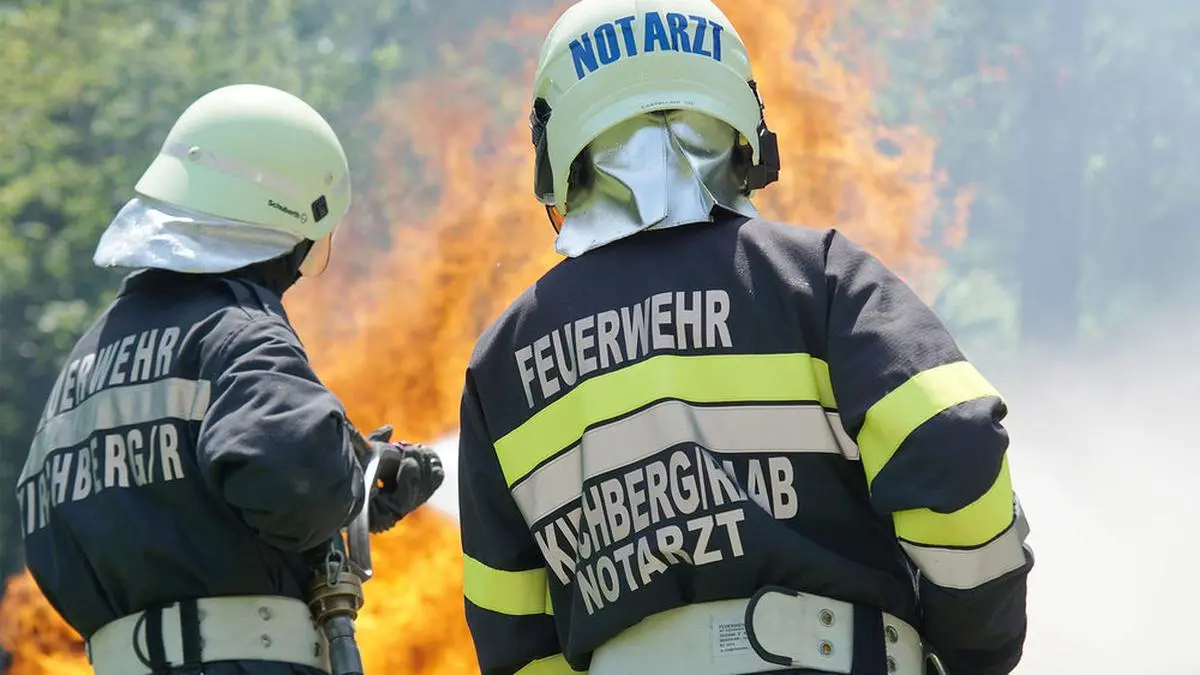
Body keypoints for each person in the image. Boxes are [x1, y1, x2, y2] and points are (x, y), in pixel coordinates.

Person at [455, 1, 1033, 674]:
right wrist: (975, 644)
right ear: (741, 121)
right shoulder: (815, 278)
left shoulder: (500, 367)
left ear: (560, 142)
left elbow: (512, 636)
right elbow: (950, 438)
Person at [15, 84, 444, 675]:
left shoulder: (84, 368)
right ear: (286, 229)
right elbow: (296, 481)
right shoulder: (237, 332)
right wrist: (350, 478)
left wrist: (359, 475)